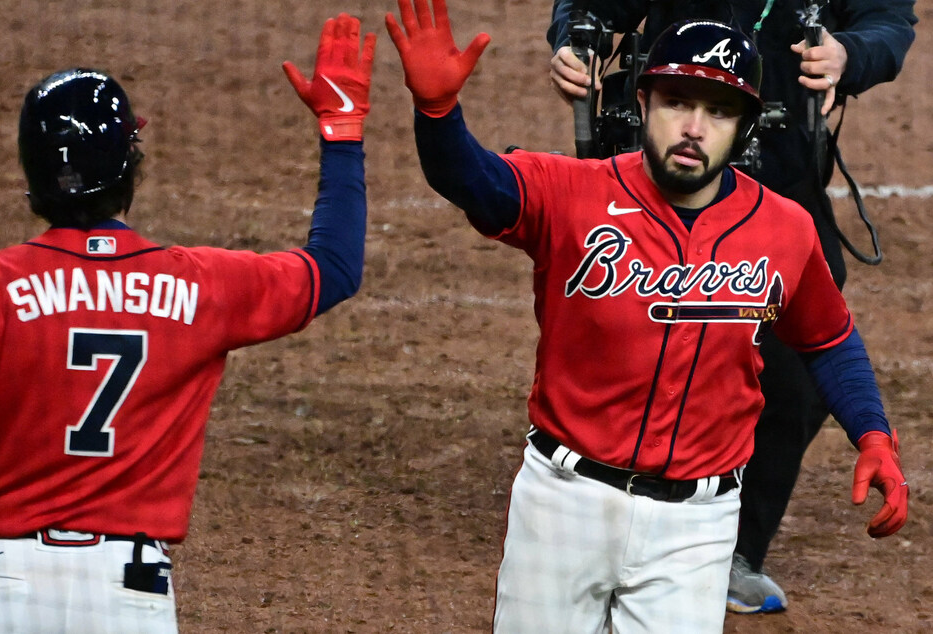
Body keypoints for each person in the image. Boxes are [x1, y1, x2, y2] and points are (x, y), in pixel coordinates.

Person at [385, 1, 909, 631]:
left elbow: (828, 340)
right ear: (642, 104)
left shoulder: (785, 229)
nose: (693, 127)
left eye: (718, 111)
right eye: (676, 102)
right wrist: (438, 115)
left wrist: (873, 434)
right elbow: (474, 181)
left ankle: (746, 554)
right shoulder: (574, 192)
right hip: (562, 506)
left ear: (746, 126)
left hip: (698, 527)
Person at [0, 13, 374, 633]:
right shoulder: (199, 284)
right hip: (127, 593)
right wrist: (342, 130)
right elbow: (334, 266)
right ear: (128, 169)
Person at [547, 0, 917, 614]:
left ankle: (736, 549)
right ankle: (594, 511)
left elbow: (889, 22)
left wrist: (850, 55)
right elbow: (587, 5)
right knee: (628, 330)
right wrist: (574, 42)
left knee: (798, 377)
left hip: (782, 167)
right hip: (665, 167)